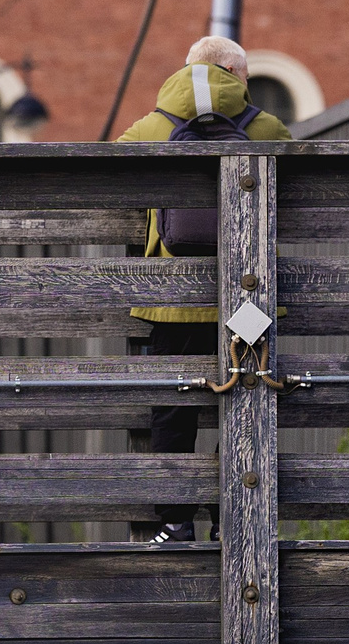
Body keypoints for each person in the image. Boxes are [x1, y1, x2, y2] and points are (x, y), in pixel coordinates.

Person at [115, 34, 292, 545]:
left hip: (173, 302)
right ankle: (232, 519)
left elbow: (110, 162)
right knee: (250, 394)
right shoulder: (262, 126)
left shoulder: (154, 126)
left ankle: (176, 521)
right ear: (236, 75)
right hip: (247, 300)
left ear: (186, 70)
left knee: (174, 407)